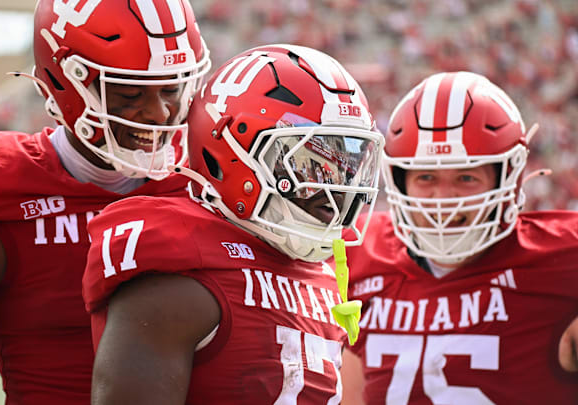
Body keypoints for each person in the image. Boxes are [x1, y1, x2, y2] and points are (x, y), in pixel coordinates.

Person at [0, 0, 210, 403]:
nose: (159, 113)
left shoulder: (210, 186)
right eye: (129, 91)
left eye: (172, 86)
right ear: (65, 85)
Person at [82, 44, 385, 404]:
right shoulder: (181, 272)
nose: (338, 185)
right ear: (233, 150)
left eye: (348, 163)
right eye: (311, 161)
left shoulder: (317, 272)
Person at [339, 71, 578, 405]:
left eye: (466, 177)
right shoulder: (358, 254)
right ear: (399, 179)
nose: (444, 199)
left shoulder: (564, 258)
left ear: (506, 179)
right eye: (426, 177)